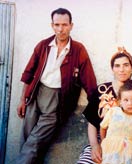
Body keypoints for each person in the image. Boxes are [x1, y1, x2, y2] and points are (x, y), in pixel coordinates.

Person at [16, 8, 97, 164]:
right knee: (26, 138)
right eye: (57, 24)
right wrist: (22, 99)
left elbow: (89, 80)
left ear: (71, 26)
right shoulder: (43, 46)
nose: (61, 29)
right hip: (35, 94)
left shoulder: (78, 50)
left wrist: (97, 104)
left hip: (57, 100)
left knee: (36, 141)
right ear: (52, 25)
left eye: (65, 25)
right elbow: (28, 74)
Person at [77, 47, 132, 164]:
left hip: (131, 143)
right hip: (105, 142)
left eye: (126, 65)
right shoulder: (102, 90)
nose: (122, 69)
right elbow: (92, 123)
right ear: (112, 69)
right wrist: (95, 146)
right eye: (117, 66)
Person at [100, 81, 132, 164]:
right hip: (110, 147)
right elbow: (103, 127)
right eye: (126, 100)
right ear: (120, 102)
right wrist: (103, 141)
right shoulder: (113, 112)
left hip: (127, 150)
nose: (130, 103)